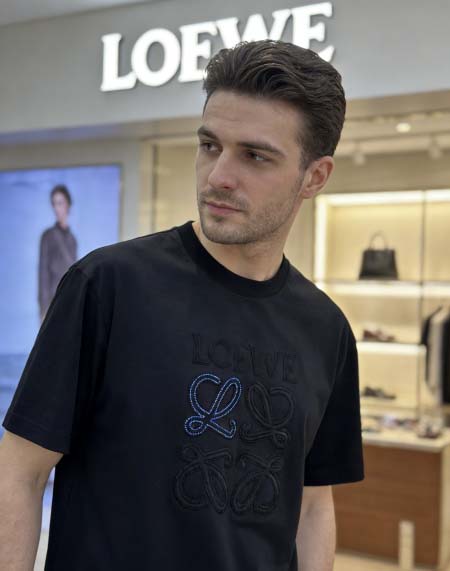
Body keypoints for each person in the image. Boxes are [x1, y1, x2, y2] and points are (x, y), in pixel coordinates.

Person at [0, 40, 364, 571]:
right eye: (210, 145)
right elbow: (21, 472)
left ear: (315, 176)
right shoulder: (107, 286)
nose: (218, 176)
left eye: (255, 156)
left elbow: (311, 504)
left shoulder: (326, 330)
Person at [38, 184, 78, 322]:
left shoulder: (72, 239)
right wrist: (44, 310)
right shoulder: (47, 236)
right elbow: (43, 275)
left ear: (68, 204)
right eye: (54, 204)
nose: (56, 208)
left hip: (69, 303)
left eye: (60, 203)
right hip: (52, 305)